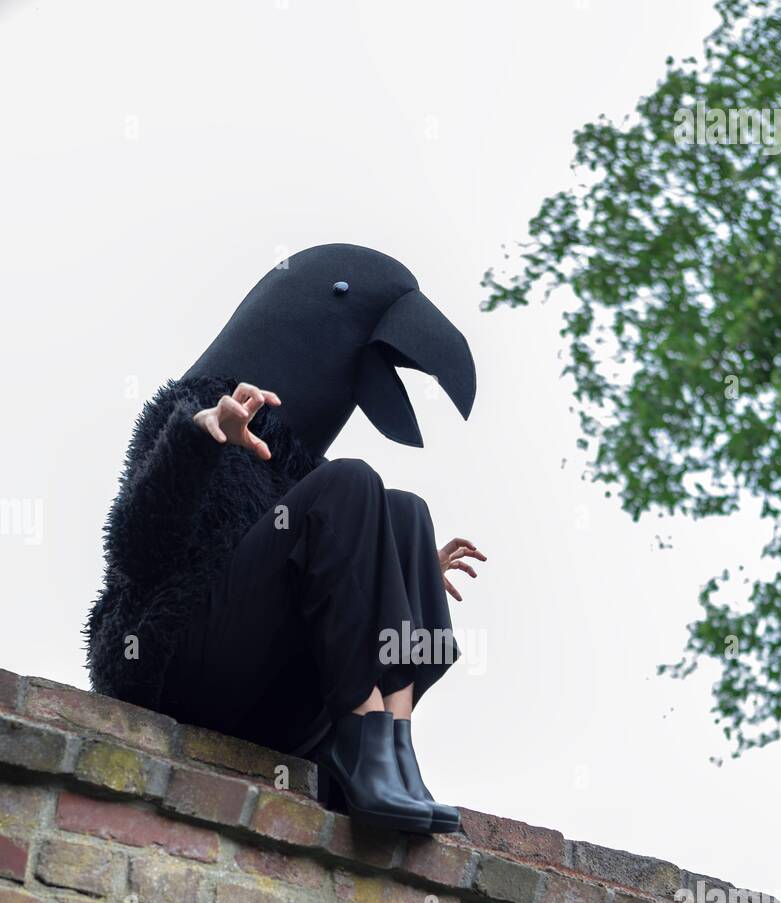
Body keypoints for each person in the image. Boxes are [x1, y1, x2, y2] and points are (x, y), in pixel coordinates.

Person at [85, 243, 485, 834]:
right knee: (351, 481)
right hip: (174, 668)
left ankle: (392, 753)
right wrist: (199, 439)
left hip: (277, 707)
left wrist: (398, 567)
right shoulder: (192, 414)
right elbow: (139, 549)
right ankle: (363, 743)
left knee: (405, 514)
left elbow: (312, 576)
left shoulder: (305, 483)